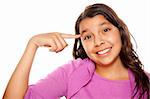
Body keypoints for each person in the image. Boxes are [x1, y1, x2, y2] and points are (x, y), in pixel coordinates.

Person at [3, 3, 150, 99]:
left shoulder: (145, 82)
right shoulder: (72, 72)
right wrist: (32, 44)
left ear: (120, 31)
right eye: (87, 37)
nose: (98, 42)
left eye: (105, 30)